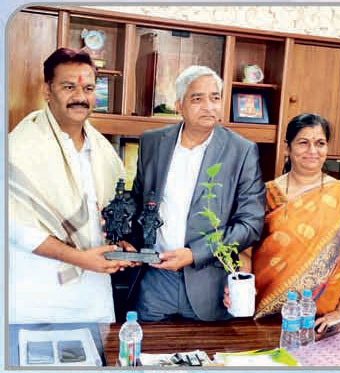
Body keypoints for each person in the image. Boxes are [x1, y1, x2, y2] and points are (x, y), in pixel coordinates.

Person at [227, 113, 340, 331]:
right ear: (287, 148)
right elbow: (245, 252)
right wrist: (241, 286)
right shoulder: (264, 195)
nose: (312, 150)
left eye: (320, 143)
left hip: (325, 321)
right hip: (268, 315)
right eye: (303, 143)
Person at [131, 65, 265, 322]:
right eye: (197, 99)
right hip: (156, 279)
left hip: (210, 284)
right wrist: (128, 238)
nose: (208, 106)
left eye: (215, 98)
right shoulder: (152, 142)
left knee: (206, 349)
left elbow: (250, 225)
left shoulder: (242, 151)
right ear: (179, 105)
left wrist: (194, 253)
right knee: (146, 346)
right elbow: (139, 199)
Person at [9, 47, 131, 323]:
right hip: (37, 297)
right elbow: (15, 228)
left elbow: (106, 215)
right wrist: (79, 258)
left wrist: (121, 244)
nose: (80, 97)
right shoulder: (21, 148)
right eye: (68, 87)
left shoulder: (103, 151)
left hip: (93, 296)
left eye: (89, 88)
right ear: (47, 90)